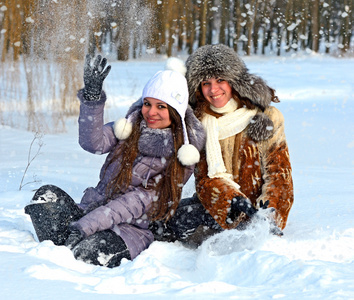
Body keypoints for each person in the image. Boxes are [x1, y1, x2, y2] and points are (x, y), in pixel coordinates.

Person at [25, 55, 206, 267]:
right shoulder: (128, 129)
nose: (151, 112)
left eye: (161, 107)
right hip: (92, 210)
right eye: (147, 103)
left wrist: (82, 228)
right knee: (46, 196)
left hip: (130, 229)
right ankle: (62, 244)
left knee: (86, 254)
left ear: (175, 113)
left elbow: (129, 205)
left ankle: (67, 244)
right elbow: (93, 143)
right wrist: (92, 100)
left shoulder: (179, 159)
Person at [153, 44, 294, 248]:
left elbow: (279, 175)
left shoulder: (267, 117)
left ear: (234, 81)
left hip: (259, 215)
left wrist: (267, 216)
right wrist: (231, 202)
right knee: (160, 221)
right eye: (205, 82)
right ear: (198, 88)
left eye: (220, 80)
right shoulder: (197, 123)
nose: (213, 89)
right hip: (217, 211)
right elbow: (204, 179)